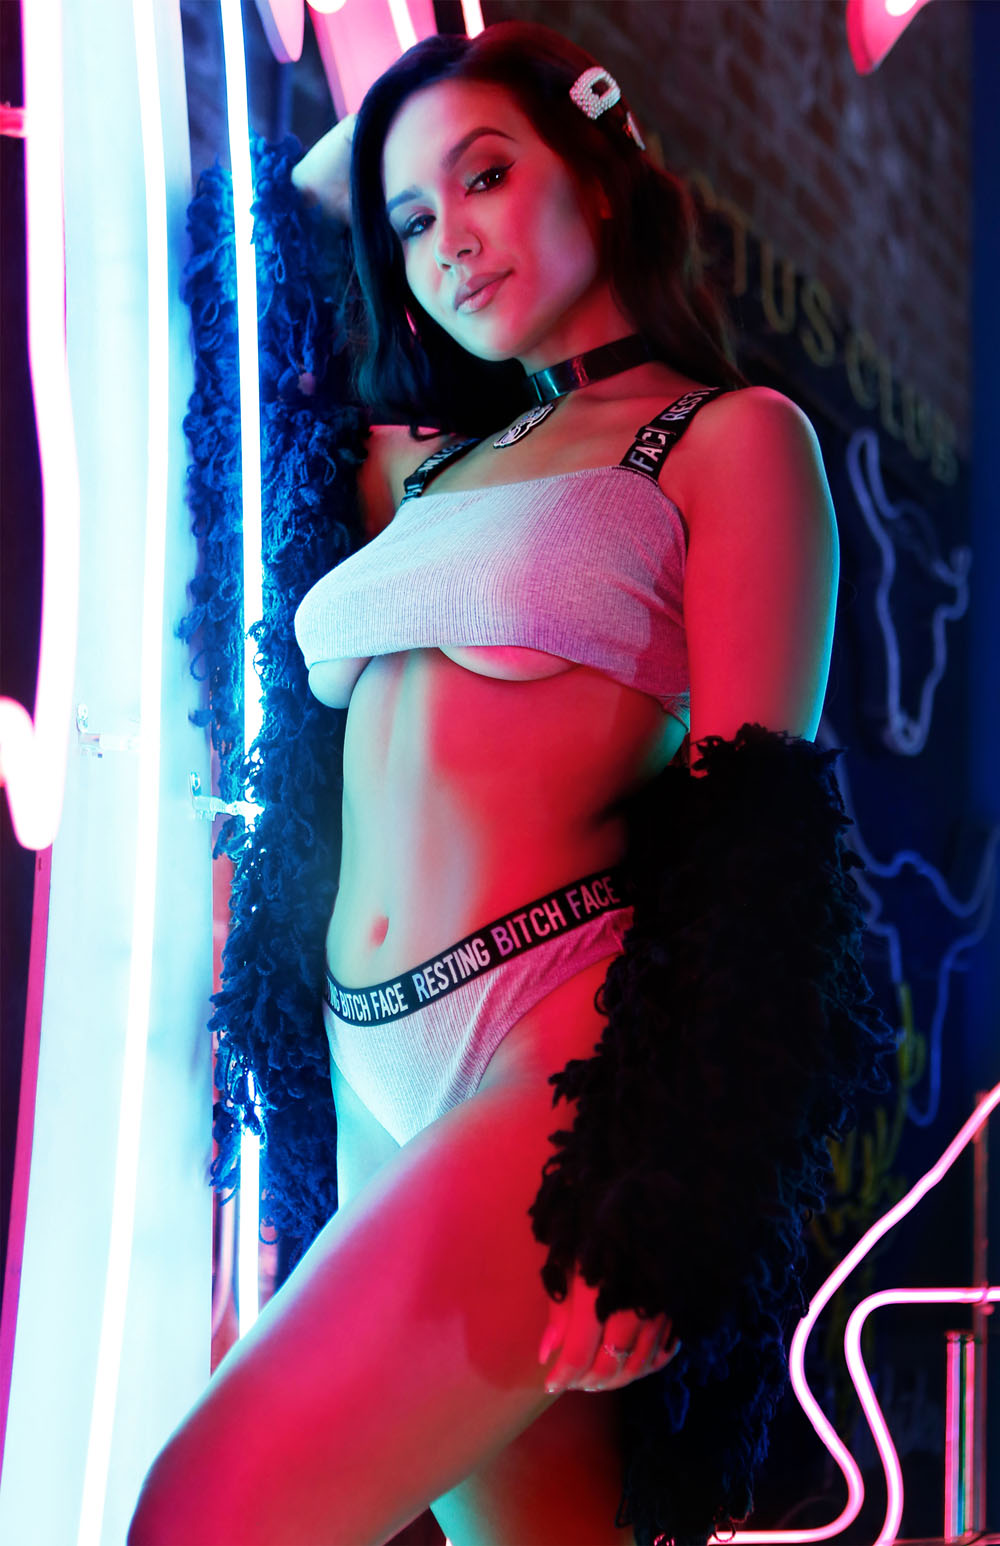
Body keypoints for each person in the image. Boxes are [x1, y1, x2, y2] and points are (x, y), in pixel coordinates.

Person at [130, 21, 892, 1546]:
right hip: (362, 1065)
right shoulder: (424, 470)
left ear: (599, 175)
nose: (450, 244)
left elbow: (759, 852)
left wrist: (666, 1191)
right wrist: (405, 127)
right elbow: (261, 262)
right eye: (412, 220)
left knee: (203, 1511)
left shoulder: (731, 442)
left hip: (546, 1045)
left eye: (486, 177)